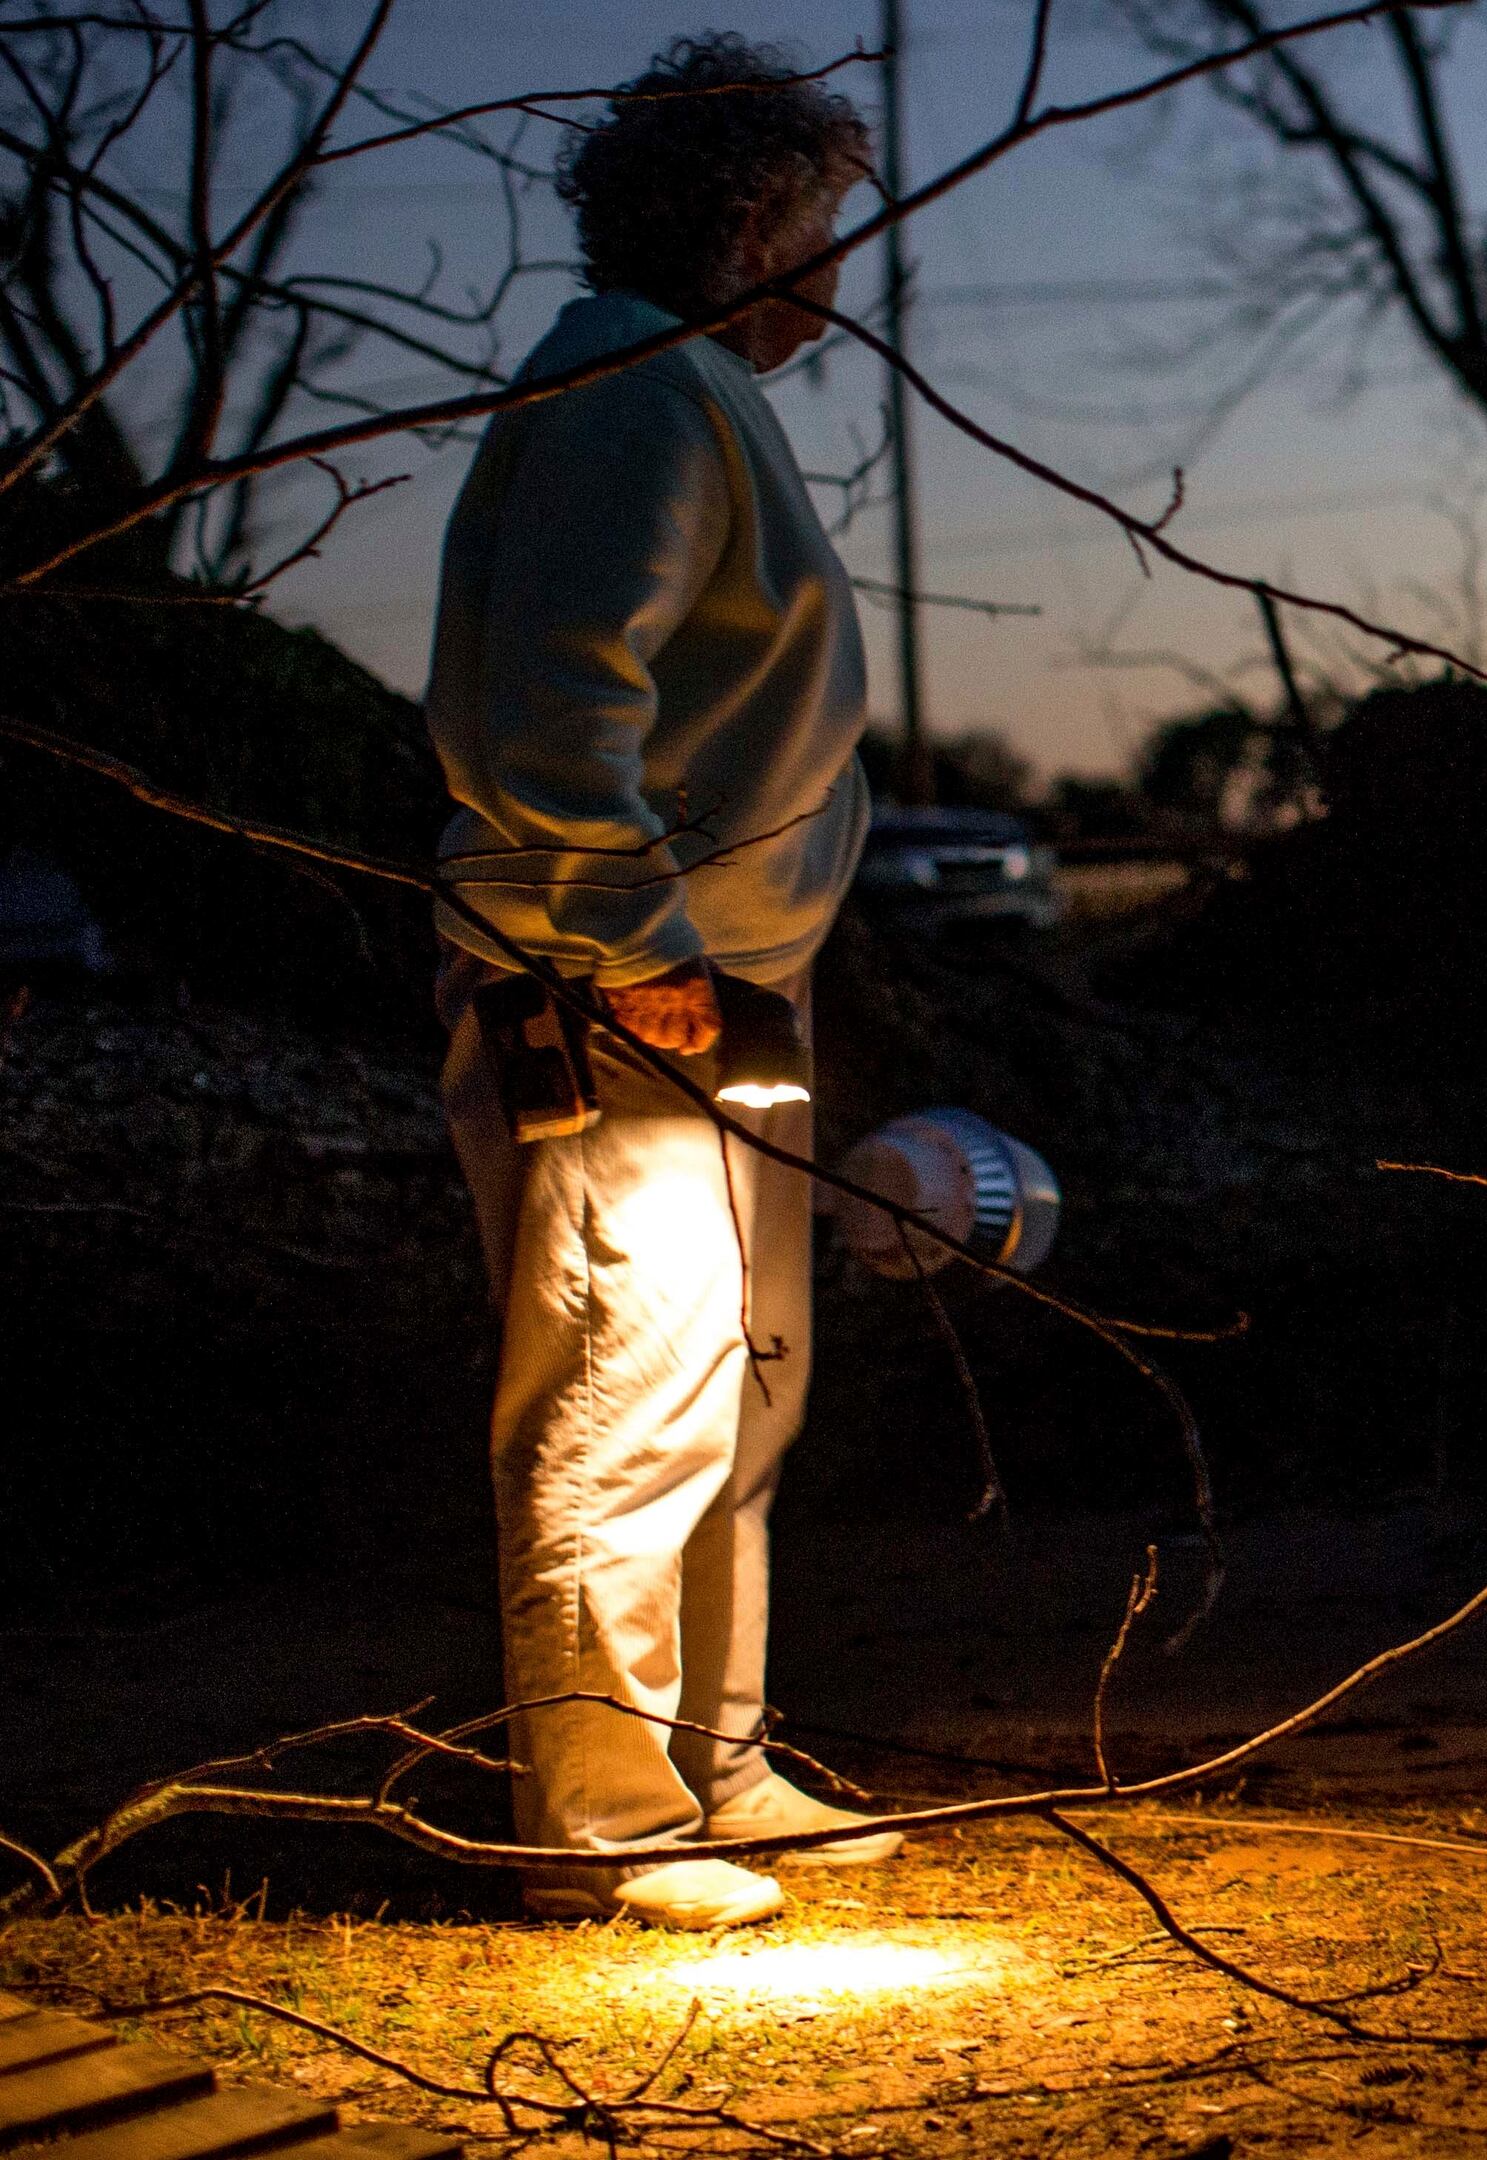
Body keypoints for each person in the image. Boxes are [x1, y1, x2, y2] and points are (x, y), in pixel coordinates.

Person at [426, 34, 891, 1931]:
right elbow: (545, 713)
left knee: (736, 1390)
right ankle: (602, 1819)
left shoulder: (669, 389)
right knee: (630, 1385)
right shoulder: (635, 392)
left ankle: (715, 1762)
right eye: (827, 224)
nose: (842, 274)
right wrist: (634, 958)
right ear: (756, 214)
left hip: (711, 995)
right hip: (625, 999)